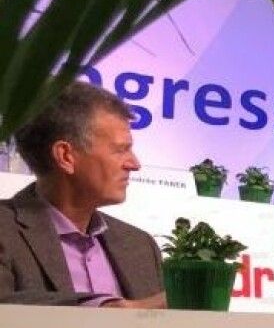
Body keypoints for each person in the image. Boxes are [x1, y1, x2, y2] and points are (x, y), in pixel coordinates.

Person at [0, 82, 165, 307]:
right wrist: (109, 308)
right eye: (120, 150)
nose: (134, 164)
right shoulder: (5, 230)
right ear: (66, 156)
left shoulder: (140, 246)